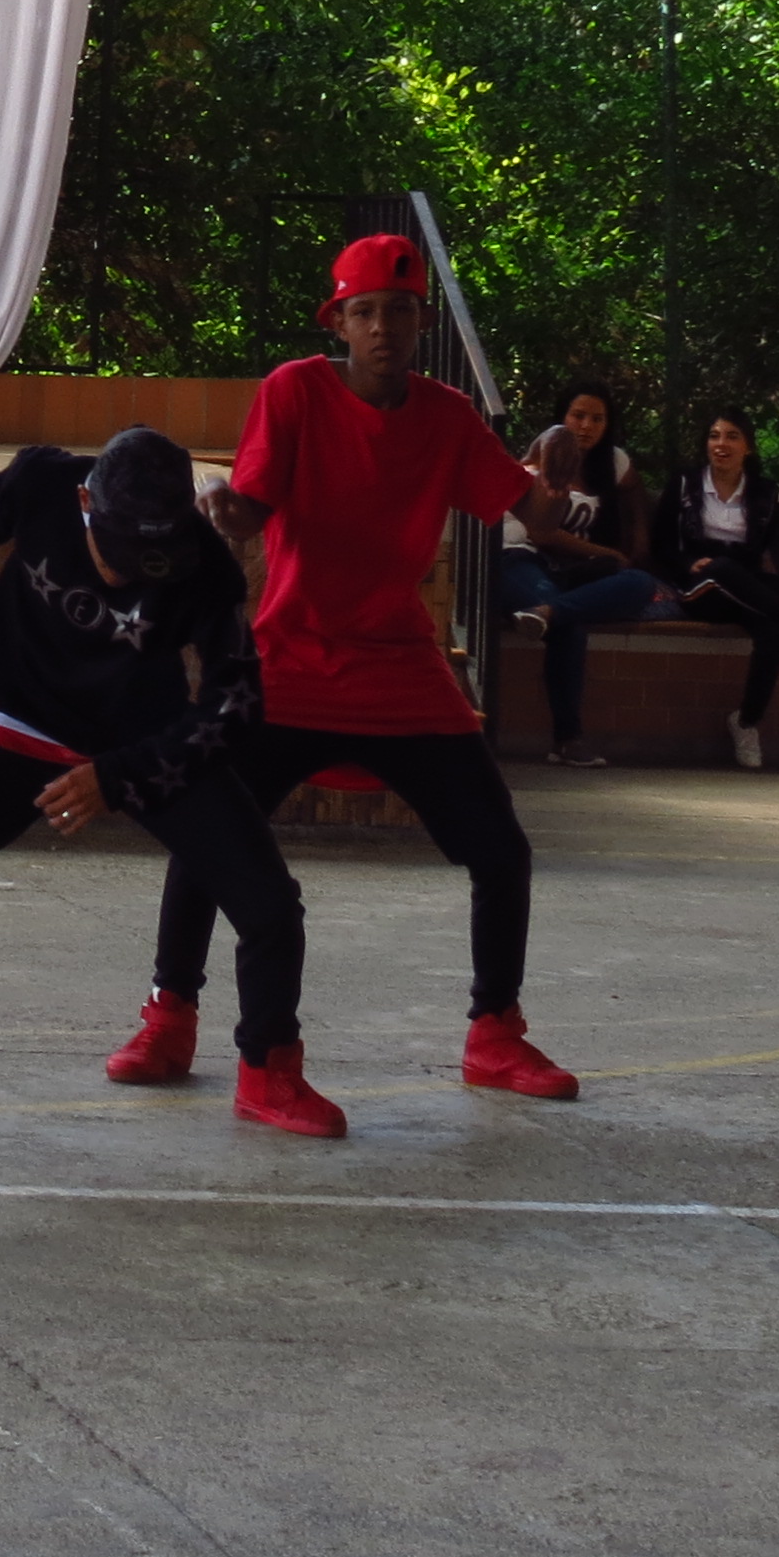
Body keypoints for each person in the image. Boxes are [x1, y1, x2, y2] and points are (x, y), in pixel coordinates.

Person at [0, 427, 343, 1137]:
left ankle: (269, 1071)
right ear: (85, 503)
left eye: (151, 560)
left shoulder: (206, 566)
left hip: (142, 737)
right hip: (24, 717)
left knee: (269, 902)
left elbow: (234, 707)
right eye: (118, 552)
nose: (129, 575)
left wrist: (120, 775)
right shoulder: (39, 482)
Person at [146, 233, 587, 1103]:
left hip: (398, 666)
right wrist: (221, 507)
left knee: (501, 849)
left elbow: (530, 510)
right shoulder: (294, 391)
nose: (383, 326)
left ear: (422, 322)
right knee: (207, 835)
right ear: (339, 322)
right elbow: (250, 511)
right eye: (365, 312)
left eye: (400, 310)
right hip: (291, 658)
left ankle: (495, 1034)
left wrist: (555, 472)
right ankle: (170, 1017)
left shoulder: (448, 418)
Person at [648, 411, 779, 771]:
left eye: (732, 436)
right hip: (698, 587)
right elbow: (659, 542)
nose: (721, 444)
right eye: (714, 436)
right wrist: (685, 564)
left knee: (774, 629)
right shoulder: (685, 483)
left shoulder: (766, 492)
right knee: (722, 570)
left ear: (748, 447)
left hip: (746, 589)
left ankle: (746, 721)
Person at [497, 382, 671, 766]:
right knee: (569, 627)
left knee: (639, 582)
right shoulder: (544, 459)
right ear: (562, 417)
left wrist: (639, 540)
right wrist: (609, 553)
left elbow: (634, 491)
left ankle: (549, 612)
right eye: (578, 416)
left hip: (570, 571)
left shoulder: (612, 462)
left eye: (597, 419)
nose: (586, 426)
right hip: (520, 559)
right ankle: (568, 740)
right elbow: (542, 533)